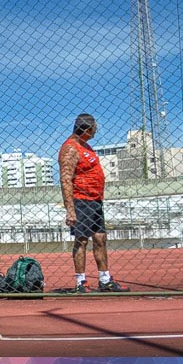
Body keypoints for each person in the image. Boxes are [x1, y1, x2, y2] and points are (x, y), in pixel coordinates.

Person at [58, 113, 129, 293]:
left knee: (100, 239)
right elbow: (65, 179)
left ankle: (105, 280)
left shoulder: (86, 146)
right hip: (81, 200)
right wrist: (70, 209)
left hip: (96, 200)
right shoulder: (70, 149)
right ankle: (81, 282)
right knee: (81, 240)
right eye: (94, 130)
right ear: (86, 130)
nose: (95, 133)